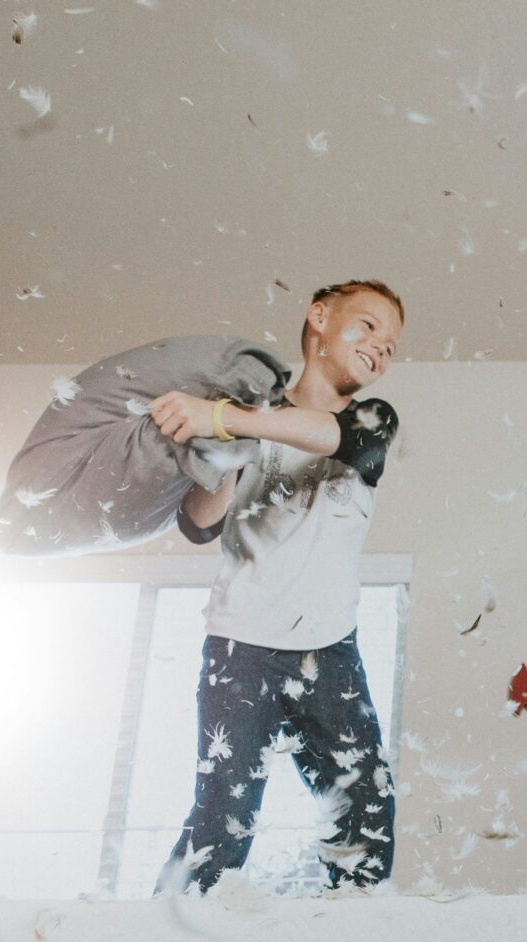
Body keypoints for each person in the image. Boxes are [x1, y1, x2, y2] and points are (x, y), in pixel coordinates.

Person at [149, 280, 404, 892]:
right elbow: (197, 524)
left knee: (366, 822)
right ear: (318, 317)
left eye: (392, 344)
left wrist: (225, 417)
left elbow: (346, 443)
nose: (380, 347)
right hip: (239, 649)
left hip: (328, 652)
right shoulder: (245, 416)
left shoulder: (370, 418)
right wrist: (225, 445)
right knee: (223, 822)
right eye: (367, 325)